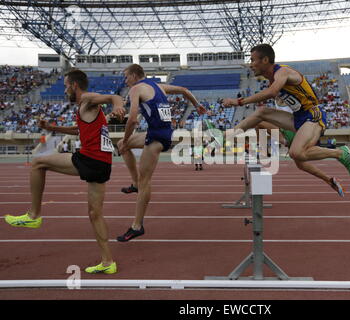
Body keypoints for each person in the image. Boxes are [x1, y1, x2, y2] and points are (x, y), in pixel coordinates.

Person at [4, 69, 126, 274]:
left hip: (89, 159)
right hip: (102, 164)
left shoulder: (87, 99)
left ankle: (34, 215)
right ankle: (108, 262)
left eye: (65, 85)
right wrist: (53, 127)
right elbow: (79, 130)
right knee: (95, 214)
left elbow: (114, 96)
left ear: (74, 86)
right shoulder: (85, 109)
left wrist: (119, 107)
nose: (64, 89)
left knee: (38, 163)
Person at [221, 44, 350, 197]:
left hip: (313, 114)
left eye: (253, 60)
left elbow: (272, 92)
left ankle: (340, 153)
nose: (250, 64)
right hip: (298, 117)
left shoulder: (282, 72)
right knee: (261, 113)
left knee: (296, 153)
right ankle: (227, 135)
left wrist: (238, 102)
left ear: (265, 60)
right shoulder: (272, 78)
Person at [116, 64, 205, 241]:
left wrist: (127, 139)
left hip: (156, 136)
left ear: (134, 75)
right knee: (121, 145)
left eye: (126, 77)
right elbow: (184, 90)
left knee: (145, 180)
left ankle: (137, 225)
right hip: (162, 133)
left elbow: (132, 120)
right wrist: (197, 105)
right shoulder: (158, 86)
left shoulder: (136, 89)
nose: (125, 81)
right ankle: (134, 183)